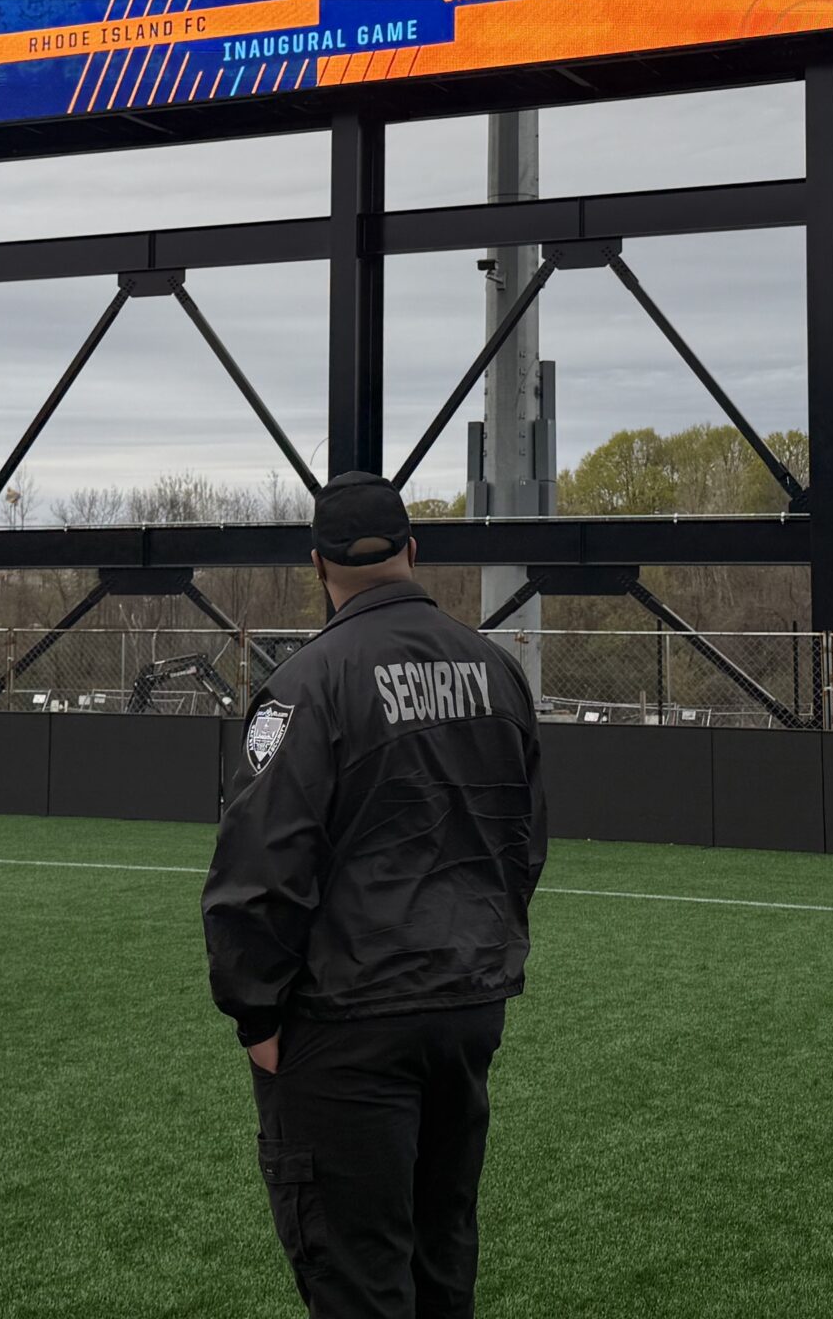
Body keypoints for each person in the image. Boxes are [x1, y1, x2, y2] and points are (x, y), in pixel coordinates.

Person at [202, 470, 547, 1319]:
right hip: (465, 1008)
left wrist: (256, 1018)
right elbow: (524, 843)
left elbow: (257, 868)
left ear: (316, 565)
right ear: (412, 552)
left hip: (350, 1021)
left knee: (358, 1278)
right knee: (441, 1261)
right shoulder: (496, 671)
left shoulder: (306, 684)